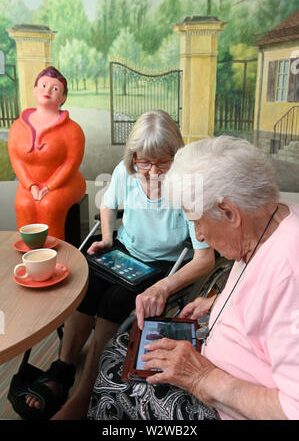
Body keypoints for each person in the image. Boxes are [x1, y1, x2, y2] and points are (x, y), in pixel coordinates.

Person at [87, 135, 299, 421]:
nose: (198, 235)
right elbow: (265, 301)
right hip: (218, 360)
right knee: (123, 347)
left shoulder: (290, 275)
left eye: (198, 222)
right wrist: (220, 301)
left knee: (117, 374)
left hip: (225, 407)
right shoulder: (272, 216)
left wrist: (202, 377)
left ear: (228, 212)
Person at [20, 110, 214, 420]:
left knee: (115, 301)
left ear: (175, 157)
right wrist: (108, 237)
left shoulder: (188, 187)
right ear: (133, 156)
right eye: (143, 162)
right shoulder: (127, 171)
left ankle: (86, 393)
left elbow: (206, 259)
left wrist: (163, 286)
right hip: (124, 249)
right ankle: (62, 370)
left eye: (161, 163)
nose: (151, 172)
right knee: (86, 286)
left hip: (163, 264)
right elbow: (107, 203)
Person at [8, 66, 86, 240]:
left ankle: (55, 256)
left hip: (65, 183)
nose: (48, 90)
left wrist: (49, 187)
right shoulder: (17, 127)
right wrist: (31, 185)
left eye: (55, 88)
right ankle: (30, 256)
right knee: (24, 203)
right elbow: (16, 160)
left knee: (50, 205)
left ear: (63, 97)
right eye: (43, 85)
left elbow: (71, 164)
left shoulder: (73, 130)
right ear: (35, 90)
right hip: (30, 184)